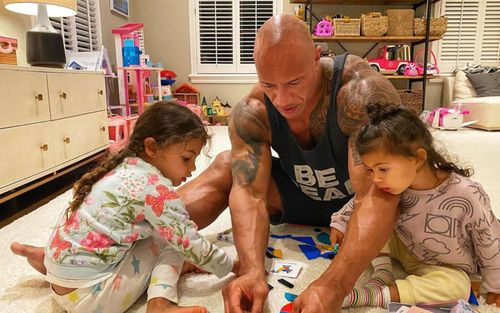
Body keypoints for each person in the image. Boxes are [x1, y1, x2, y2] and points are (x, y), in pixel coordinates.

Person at [13, 14, 403, 313]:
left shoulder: (358, 92)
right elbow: (249, 193)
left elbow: (381, 192)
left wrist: (332, 285)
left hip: (353, 203)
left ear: (317, 59)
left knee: (389, 186)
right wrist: (251, 271)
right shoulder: (252, 110)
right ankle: (81, 253)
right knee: (225, 164)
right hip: (297, 196)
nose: (282, 99)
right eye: (270, 85)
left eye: (295, 83)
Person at [12, 101, 238, 313]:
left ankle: (50, 260)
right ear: (152, 148)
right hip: (90, 299)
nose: (192, 168)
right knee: (171, 243)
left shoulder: (121, 169)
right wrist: (233, 266)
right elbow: (190, 243)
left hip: (61, 282)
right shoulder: (155, 189)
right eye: (187, 159)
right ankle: (161, 305)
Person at [330, 103, 500, 308]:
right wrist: (340, 221)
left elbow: (488, 241)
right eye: (370, 170)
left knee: (458, 287)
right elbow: (364, 203)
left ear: (418, 159)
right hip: (403, 246)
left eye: (382, 169)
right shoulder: (393, 184)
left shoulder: (467, 194)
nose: (375, 179)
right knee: (370, 223)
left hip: (443, 266)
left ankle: (371, 295)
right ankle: (383, 271)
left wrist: (493, 286)